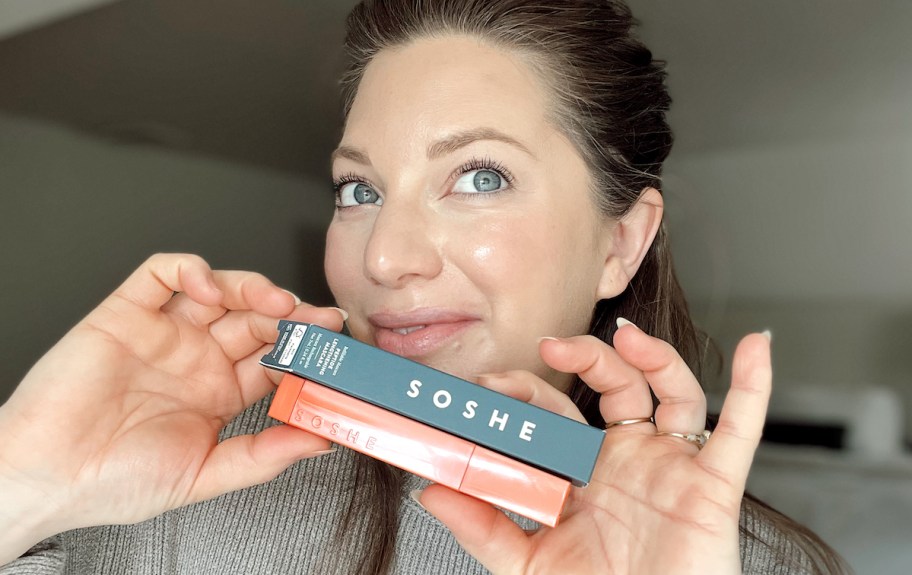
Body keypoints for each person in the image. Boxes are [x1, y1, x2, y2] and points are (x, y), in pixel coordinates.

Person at [0, 1, 849, 573]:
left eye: (479, 176)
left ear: (620, 241)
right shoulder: (189, 473)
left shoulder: (745, 559)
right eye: (359, 191)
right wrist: (26, 477)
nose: (385, 258)